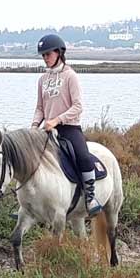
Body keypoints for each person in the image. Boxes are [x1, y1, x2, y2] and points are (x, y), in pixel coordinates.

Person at [31, 33, 102, 216]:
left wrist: (56, 120)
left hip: (69, 128)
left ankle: (90, 196)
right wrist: (33, 127)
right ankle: (29, 203)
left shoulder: (70, 76)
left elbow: (78, 106)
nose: (45, 58)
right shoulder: (42, 80)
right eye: (43, 55)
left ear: (59, 53)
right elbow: (40, 107)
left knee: (83, 156)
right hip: (47, 129)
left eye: (48, 54)